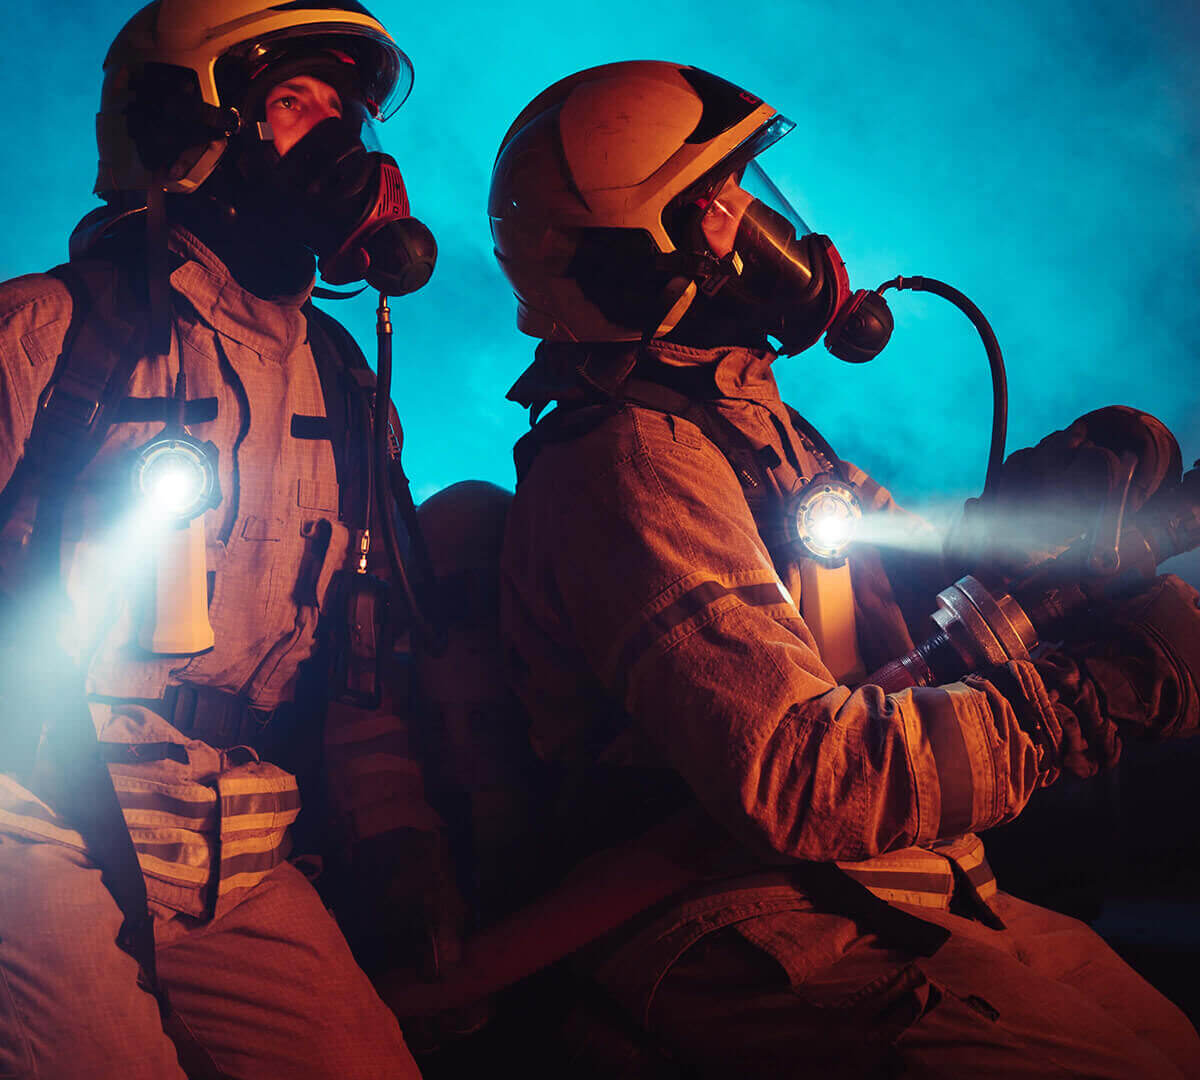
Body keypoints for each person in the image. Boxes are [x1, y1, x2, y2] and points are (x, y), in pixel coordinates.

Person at [487, 60, 1200, 1077]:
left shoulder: (745, 417)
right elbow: (796, 776)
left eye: (749, 192)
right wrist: (1082, 702)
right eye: (724, 206)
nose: (776, 231)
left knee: (1171, 1046)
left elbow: (893, 607)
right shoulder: (631, 464)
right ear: (639, 258)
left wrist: (1035, 537)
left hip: (878, 882)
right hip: (732, 915)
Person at [0, 1, 443, 1077]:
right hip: (33, 822)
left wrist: (401, 840)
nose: (337, 144)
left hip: (238, 843)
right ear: (184, 120)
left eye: (346, 116)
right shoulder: (46, 334)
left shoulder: (341, 381)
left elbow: (358, 651)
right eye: (294, 103)